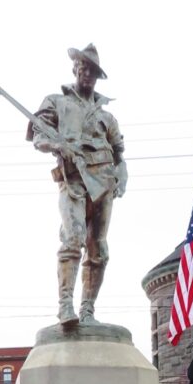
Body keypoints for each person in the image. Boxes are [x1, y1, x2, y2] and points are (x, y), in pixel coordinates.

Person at [27, 44, 127, 326]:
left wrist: (122, 175)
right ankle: (65, 306)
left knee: (99, 250)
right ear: (75, 69)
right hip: (73, 180)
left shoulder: (107, 116)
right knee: (73, 239)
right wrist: (57, 145)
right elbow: (38, 137)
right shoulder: (56, 102)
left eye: (93, 71)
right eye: (84, 68)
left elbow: (119, 151)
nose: (87, 74)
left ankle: (87, 310)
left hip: (104, 183)